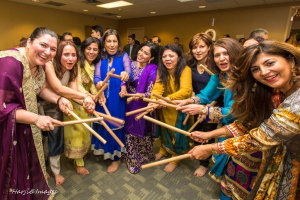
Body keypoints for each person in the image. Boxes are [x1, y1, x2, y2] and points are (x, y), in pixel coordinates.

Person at [189, 40, 300, 200]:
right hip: (259, 151)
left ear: (290, 60)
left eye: (270, 63)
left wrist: (210, 147)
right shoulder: (271, 90)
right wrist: (208, 134)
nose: (264, 72)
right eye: (256, 69)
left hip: (283, 161)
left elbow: (259, 137)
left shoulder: (295, 101)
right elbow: (249, 122)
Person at [177, 39, 258, 200]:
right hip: (229, 130)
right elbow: (206, 95)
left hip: (249, 135)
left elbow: (236, 112)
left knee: (245, 183)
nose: (221, 58)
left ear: (236, 53)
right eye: (217, 55)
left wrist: (204, 110)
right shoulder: (221, 76)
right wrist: (189, 101)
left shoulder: (248, 79)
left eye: (225, 53)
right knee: (228, 178)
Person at [0, 27, 72, 199]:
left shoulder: (39, 64)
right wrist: (36, 118)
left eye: (53, 49)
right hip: (7, 130)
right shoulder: (10, 63)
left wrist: (59, 100)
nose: (47, 52)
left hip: (26, 125)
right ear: (30, 42)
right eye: (43, 45)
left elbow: (39, 89)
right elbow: (3, 107)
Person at [40, 40, 90, 186]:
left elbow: (73, 93)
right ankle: (40, 169)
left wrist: (86, 102)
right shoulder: (49, 65)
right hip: (40, 104)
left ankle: (56, 172)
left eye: (73, 55)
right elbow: (59, 89)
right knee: (38, 139)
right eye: (66, 54)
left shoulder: (73, 69)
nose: (70, 58)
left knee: (54, 139)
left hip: (57, 106)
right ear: (58, 55)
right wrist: (86, 96)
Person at [148, 44, 193, 173]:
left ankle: (175, 158)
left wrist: (165, 99)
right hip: (165, 107)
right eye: (164, 56)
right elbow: (157, 88)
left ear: (178, 57)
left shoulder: (185, 69)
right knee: (164, 130)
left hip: (179, 107)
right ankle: (164, 149)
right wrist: (153, 101)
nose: (167, 59)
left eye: (171, 56)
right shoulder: (161, 71)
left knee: (177, 133)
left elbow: (186, 91)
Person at [92, 29, 132, 173]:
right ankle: (105, 151)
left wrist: (125, 76)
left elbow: (129, 73)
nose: (112, 44)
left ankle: (116, 158)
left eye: (114, 41)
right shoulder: (100, 57)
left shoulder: (124, 56)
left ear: (118, 42)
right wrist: (98, 84)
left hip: (117, 97)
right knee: (103, 123)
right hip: (102, 97)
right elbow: (96, 76)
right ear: (104, 43)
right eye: (109, 41)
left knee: (115, 124)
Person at [184, 33, 221, 177]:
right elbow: (192, 87)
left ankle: (204, 164)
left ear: (209, 47)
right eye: (194, 47)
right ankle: (198, 152)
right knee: (197, 130)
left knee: (208, 131)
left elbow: (218, 91)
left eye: (201, 47)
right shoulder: (191, 65)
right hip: (197, 101)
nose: (197, 50)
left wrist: (205, 110)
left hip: (214, 103)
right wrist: (194, 104)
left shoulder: (215, 66)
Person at [64, 37, 101, 175]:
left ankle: (81, 155)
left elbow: (92, 83)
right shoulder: (77, 63)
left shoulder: (94, 65)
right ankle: (78, 163)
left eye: (95, 49)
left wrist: (98, 95)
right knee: (77, 131)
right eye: (89, 49)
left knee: (86, 130)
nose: (92, 52)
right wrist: (87, 95)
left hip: (88, 100)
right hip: (75, 99)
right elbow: (76, 84)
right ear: (83, 49)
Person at [122, 42, 159, 173]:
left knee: (135, 130)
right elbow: (124, 79)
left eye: (145, 53)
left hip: (140, 104)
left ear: (152, 58)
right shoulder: (130, 64)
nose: (140, 54)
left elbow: (150, 91)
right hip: (126, 101)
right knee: (125, 128)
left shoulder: (152, 69)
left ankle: (135, 160)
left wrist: (141, 95)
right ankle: (127, 154)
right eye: (141, 50)